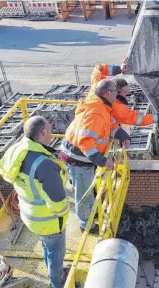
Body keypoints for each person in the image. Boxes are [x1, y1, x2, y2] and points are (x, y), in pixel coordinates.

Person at [0, 116, 70, 288]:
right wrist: (64, 215)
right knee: (55, 255)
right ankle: (57, 283)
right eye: (49, 131)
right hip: (49, 222)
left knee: (47, 247)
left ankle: (53, 268)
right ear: (43, 132)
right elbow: (58, 203)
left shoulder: (17, 151)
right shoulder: (44, 164)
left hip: (30, 216)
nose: (52, 134)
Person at [60, 79, 131, 233]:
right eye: (115, 92)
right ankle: (86, 225)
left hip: (74, 153)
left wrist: (123, 135)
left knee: (81, 185)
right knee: (84, 194)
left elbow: (109, 126)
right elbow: (85, 141)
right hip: (79, 159)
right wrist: (102, 161)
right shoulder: (96, 112)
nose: (117, 95)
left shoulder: (100, 105)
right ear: (107, 93)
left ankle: (86, 203)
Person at [89, 62, 159, 128]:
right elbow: (142, 120)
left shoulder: (98, 87)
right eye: (125, 92)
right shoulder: (118, 109)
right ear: (115, 92)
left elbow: (98, 68)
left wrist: (119, 69)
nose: (127, 94)